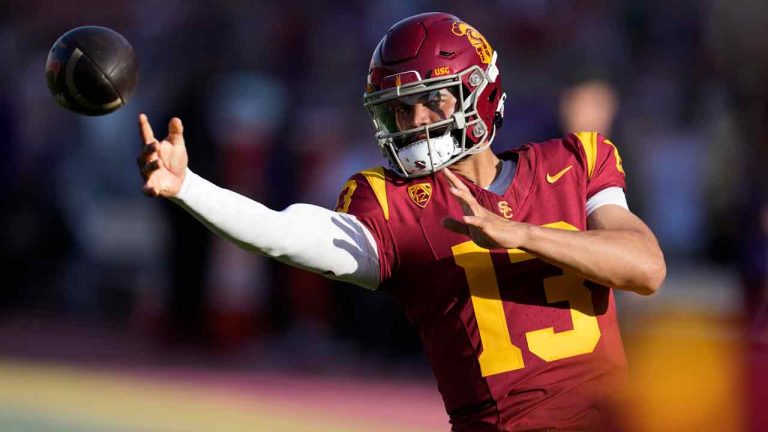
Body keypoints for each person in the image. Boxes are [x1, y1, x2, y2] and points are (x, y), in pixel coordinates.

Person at [137, 12, 666, 431]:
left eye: (431, 101)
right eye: (399, 108)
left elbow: (645, 268)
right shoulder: (395, 203)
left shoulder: (573, 162)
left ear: (479, 92)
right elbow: (283, 234)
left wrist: (521, 235)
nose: (415, 122)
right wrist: (190, 188)